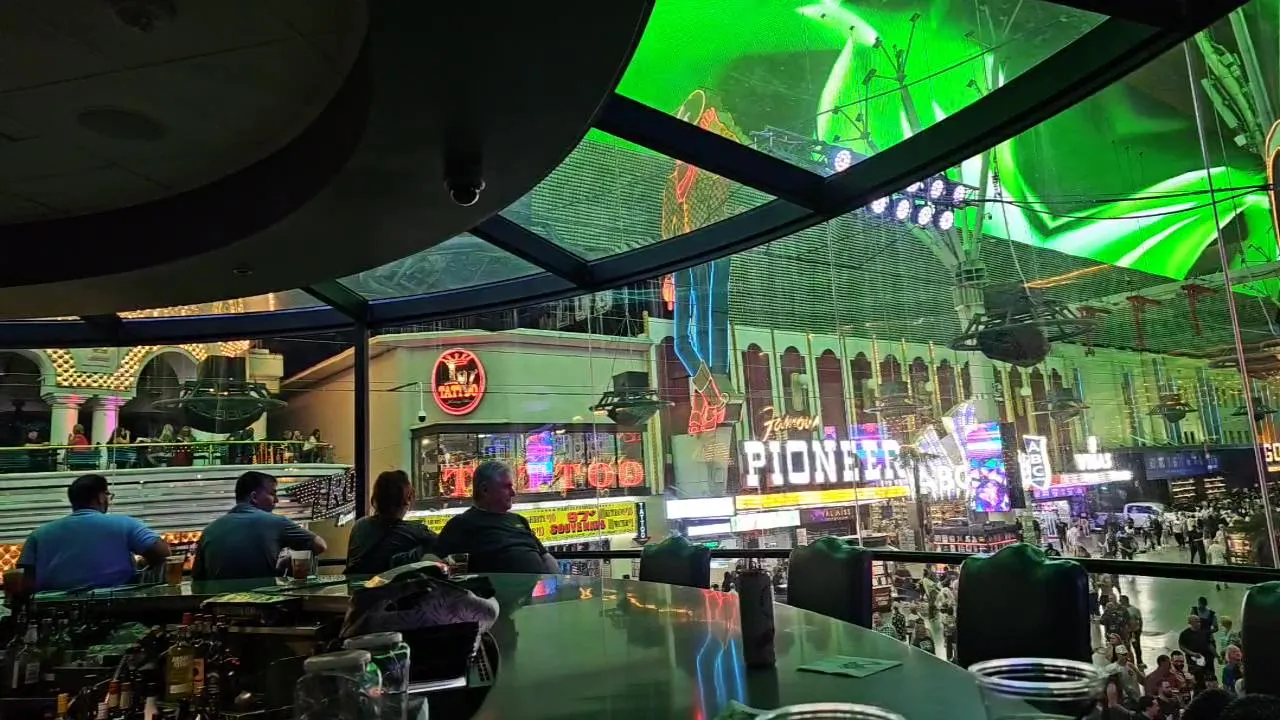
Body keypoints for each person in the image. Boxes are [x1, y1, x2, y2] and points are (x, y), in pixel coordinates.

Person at [18, 474, 169, 591]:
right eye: (107, 495)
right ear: (101, 497)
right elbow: (162, 552)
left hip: (55, 610)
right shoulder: (124, 524)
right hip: (115, 604)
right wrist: (144, 562)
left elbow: (26, 581)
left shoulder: (39, 534)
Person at [191, 470, 327, 581]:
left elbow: (197, 579)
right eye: (272, 494)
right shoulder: (276, 522)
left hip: (218, 604)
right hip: (264, 602)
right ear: (254, 497)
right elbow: (320, 545)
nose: (276, 500)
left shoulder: (210, 530)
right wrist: (290, 559)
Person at [434, 461, 558, 574]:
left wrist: (556, 581)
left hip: (541, 588)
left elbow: (546, 557)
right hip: (498, 591)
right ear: (485, 490)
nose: (513, 493)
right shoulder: (461, 524)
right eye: (506, 487)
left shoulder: (519, 520)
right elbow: (433, 561)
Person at [345, 470, 438, 575]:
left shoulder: (360, 525)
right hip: (390, 585)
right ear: (407, 499)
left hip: (355, 584)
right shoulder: (417, 532)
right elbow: (444, 546)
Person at [1179, 615, 1217, 692]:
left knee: (1210, 678)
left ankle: (1212, 692)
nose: (1199, 623)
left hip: (1207, 659)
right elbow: (1181, 646)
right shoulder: (1185, 634)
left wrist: (1216, 655)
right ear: (1190, 622)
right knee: (1196, 680)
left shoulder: (1204, 632)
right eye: (1196, 621)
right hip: (1193, 661)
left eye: (1199, 621)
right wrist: (1192, 653)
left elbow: (1210, 644)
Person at [1120, 595, 1145, 667]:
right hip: (1125, 632)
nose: (1119, 602)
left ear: (1125, 601)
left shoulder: (1135, 610)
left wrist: (1140, 630)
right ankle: (1129, 663)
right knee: (1126, 648)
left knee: (1137, 647)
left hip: (1134, 631)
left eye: (1121, 600)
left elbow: (1140, 620)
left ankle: (1139, 662)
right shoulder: (1120, 610)